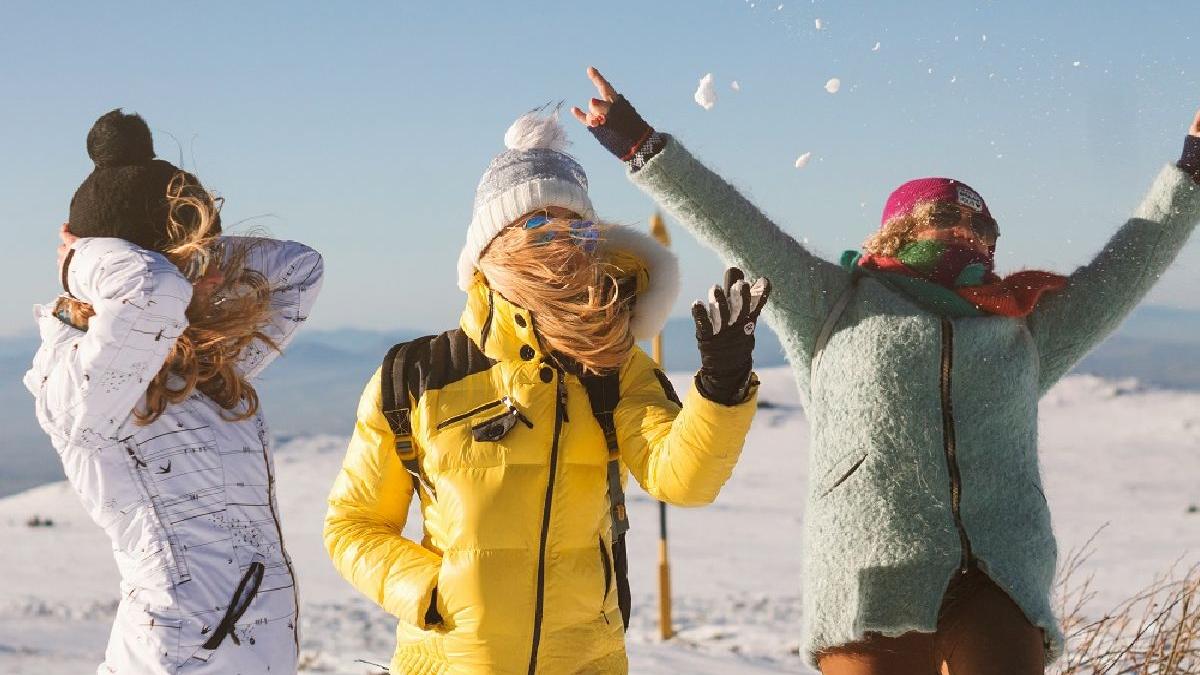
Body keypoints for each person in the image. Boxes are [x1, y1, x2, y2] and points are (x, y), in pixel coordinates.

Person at [573, 67, 1200, 674]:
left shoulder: (1020, 327)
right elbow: (737, 227)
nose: (968, 235)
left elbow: (1126, 270)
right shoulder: (829, 301)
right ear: (897, 232)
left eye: (982, 226)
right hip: (870, 567)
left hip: (1001, 567)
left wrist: (1192, 171)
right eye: (946, 220)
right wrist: (640, 144)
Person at [324, 110, 771, 674]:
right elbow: (353, 524)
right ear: (492, 242)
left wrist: (722, 385)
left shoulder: (614, 366)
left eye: (576, 227)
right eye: (538, 223)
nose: (560, 242)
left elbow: (682, 479)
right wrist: (432, 591)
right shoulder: (416, 374)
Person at [25, 110, 324, 673]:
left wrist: (196, 246)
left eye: (212, 253)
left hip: (257, 656)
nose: (217, 276)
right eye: (197, 259)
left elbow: (301, 268)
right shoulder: (84, 386)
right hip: (175, 661)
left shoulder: (202, 365)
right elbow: (149, 289)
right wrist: (81, 258)